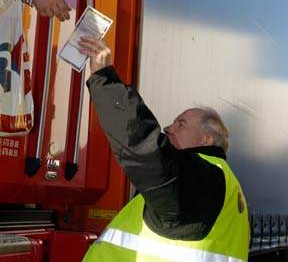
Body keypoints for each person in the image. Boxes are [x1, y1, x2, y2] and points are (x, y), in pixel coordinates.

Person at [77, 37, 251, 262]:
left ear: (207, 139)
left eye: (181, 124)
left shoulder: (203, 178)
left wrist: (103, 77)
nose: (169, 127)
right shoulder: (222, 182)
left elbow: (145, 149)